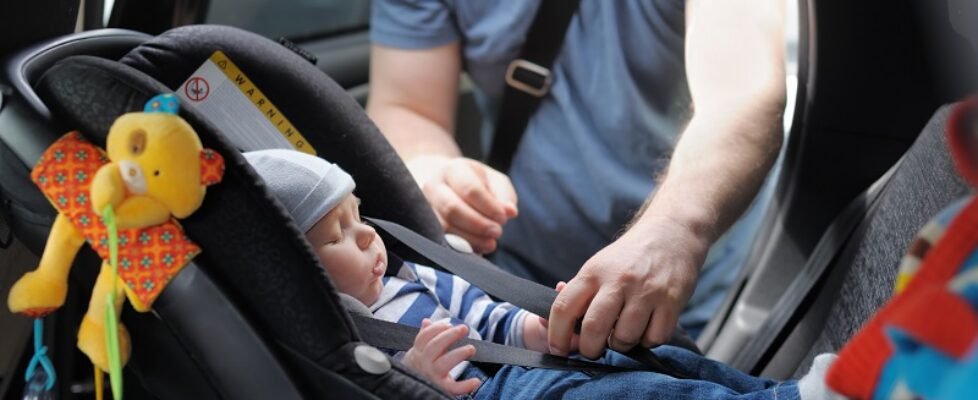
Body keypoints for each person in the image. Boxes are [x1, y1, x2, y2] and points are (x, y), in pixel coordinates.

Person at [243, 149, 839, 399]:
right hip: (496, 392)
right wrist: (421, 379)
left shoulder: (409, 279)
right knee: (630, 395)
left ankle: (781, 392)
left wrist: (545, 328)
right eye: (336, 236)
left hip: (526, 364)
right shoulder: (340, 335)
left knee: (654, 362)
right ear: (294, 269)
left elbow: (486, 315)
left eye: (358, 217)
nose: (367, 235)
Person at [366, 0, 786, 354]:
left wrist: (676, 229)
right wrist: (430, 168)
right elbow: (407, 106)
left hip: (694, 286)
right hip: (519, 281)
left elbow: (743, 94)